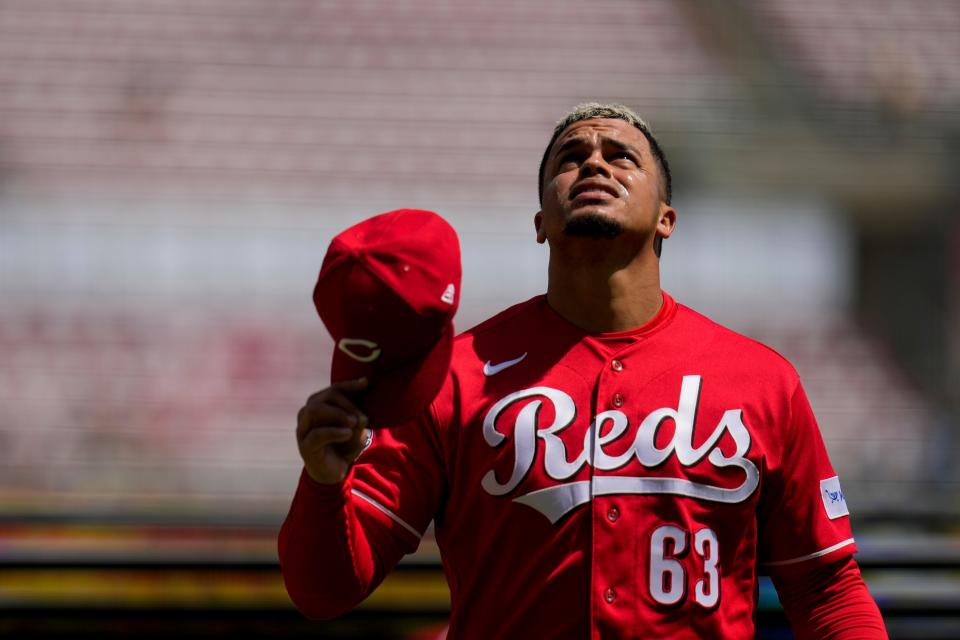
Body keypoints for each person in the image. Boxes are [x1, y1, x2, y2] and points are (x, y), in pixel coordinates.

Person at [279, 103, 888, 639]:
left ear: (667, 217)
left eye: (622, 156)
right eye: (571, 157)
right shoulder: (455, 376)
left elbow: (828, 589)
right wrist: (322, 483)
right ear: (540, 221)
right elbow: (325, 590)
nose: (595, 164)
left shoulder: (762, 380)